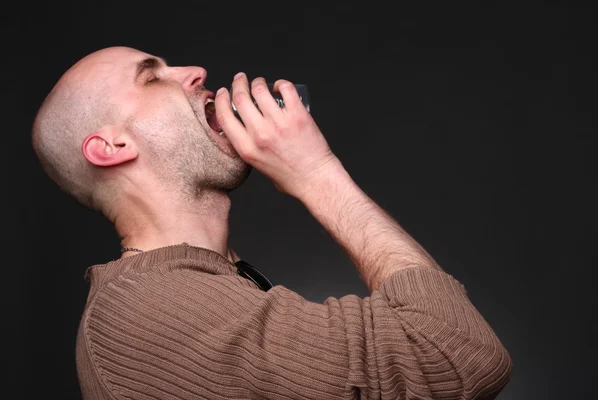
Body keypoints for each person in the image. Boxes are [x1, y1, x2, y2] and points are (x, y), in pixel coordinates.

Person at [31, 46, 512, 399]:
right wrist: (316, 173)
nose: (196, 71)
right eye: (153, 78)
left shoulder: (209, 283)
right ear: (111, 147)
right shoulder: (148, 309)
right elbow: (456, 353)